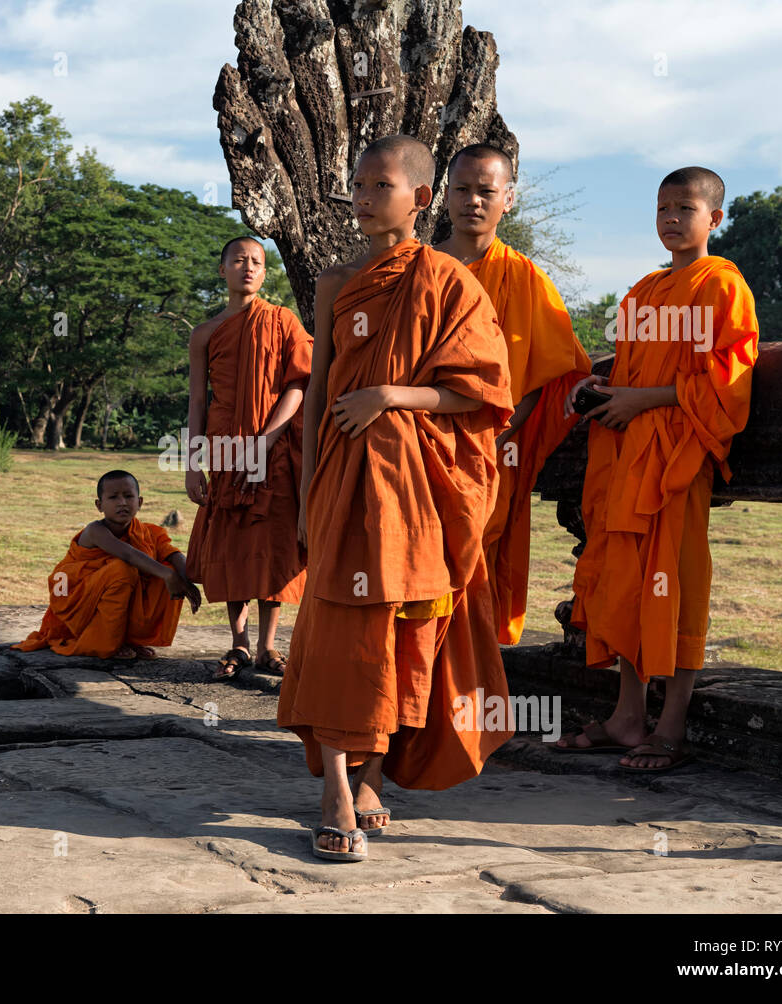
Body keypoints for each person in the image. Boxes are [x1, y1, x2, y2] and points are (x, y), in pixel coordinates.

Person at [277, 134, 515, 861]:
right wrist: (307, 490)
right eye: (356, 183)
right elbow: (318, 395)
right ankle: (336, 788)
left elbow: (481, 393)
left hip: (415, 491)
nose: (360, 196)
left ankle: (373, 773)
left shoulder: (449, 282)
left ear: (418, 198)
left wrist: (390, 394)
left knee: (407, 631)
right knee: (342, 633)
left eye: (377, 185)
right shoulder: (334, 283)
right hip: (345, 484)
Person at [556, 166, 759, 771]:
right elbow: (630, 367)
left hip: (677, 460)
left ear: (714, 219)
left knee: (677, 583)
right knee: (627, 581)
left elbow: (729, 382)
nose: (671, 218)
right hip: (627, 458)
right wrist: (599, 386)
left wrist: (644, 400)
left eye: (686, 208)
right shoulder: (642, 293)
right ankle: (626, 716)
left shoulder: (724, 287)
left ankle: (670, 726)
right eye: (662, 207)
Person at [435, 144, 592, 644]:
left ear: (509, 199)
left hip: (495, 448)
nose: (473, 201)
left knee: (478, 556)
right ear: (444, 195)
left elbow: (551, 375)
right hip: (419, 443)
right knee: (417, 558)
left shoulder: (524, 278)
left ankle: (467, 679)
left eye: (486, 191)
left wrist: (498, 431)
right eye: (462, 189)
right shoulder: (420, 270)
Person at [185, 236, 312, 681]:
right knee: (233, 542)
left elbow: (299, 384)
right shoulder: (204, 333)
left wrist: (266, 438)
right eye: (239, 260)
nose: (249, 267)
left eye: (257, 261)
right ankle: (238, 643)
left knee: (272, 542)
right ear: (223, 269)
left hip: (272, 447)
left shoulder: (282, 321)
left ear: (265, 272)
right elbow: (198, 402)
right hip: (224, 448)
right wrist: (192, 462)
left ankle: (267, 646)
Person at [14, 470, 202, 659]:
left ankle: (129, 639)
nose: (122, 503)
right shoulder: (95, 531)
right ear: (99, 505)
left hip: (103, 595)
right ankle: (105, 642)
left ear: (140, 502)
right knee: (124, 571)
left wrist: (186, 579)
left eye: (129, 496)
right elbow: (128, 554)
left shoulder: (148, 532)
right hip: (74, 598)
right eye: (113, 497)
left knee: (164, 569)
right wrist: (169, 576)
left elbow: (174, 554)